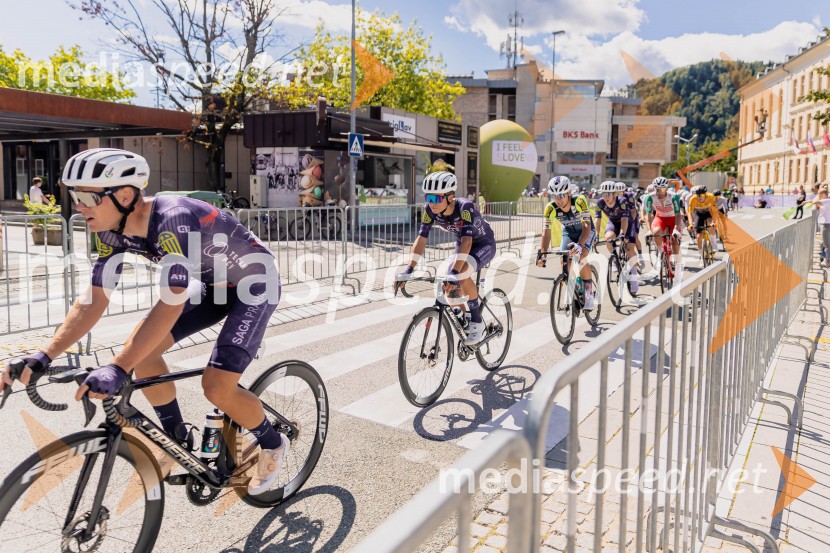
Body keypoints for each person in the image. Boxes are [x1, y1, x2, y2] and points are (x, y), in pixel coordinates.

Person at [1, 148, 287, 496]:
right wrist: (44, 356)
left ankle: (273, 443)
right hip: (214, 285)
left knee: (216, 386)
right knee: (143, 353)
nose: (78, 205)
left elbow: (170, 302)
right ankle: (177, 438)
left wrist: (118, 368)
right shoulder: (108, 230)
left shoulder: (173, 218)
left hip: (255, 285)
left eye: (86, 196)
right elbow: (93, 300)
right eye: (72, 195)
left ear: (124, 196)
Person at [397, 171, 497, 345]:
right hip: (463, 245)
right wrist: (409, 269)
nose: (431, 203)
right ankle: (463, 317)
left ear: (450, 196)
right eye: (428, 197)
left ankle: (477, 322)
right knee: (448, 286)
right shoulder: (430, 210)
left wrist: (456, 272)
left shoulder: (465, 207)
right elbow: (421, 239)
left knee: (461, 274)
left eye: (436, 199)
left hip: (482, 244)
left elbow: (467, 240)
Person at [537, 176, 598, 310]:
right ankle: (577, 286)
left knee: (581, 257)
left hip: (586, 231)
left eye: (562, 195)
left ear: (569, 192)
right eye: (555, 196)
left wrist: (580, 245)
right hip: (569, 232)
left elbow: (587, 226)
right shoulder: (550, 208)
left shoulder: (579, 201)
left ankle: (589, 294)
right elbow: (546, 232)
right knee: (564, 262)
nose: (558, 199)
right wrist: (543, 254)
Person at [595, 181, 639, 293]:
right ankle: (614, 259)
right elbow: (598, 219)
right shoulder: (599, 202)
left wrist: (623, 234)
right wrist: (596, 234)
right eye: (604, 194)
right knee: (608, 239)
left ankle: (634, 276)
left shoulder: (622, 200)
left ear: (614, 194)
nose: (606, 197)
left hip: (626, 223)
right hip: (613, 222)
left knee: (629, 248)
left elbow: (624, 219)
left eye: (608, 194)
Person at [644, 177, 683, 257]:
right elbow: (649, 215)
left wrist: (676, 229)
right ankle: (661, 254)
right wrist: (649, 230)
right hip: (661, 218)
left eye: (663, 189)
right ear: (654, 188)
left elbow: (678, 215)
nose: (660, 192)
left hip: (673, 219)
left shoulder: (673, 196)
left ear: (667, 188)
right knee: (655, 233)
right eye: (657, 190)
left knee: (675, 242)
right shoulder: (649, 197)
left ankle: (678, 266)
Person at [687, 186, 721, 253]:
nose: (700, 197)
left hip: (708, 212)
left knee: (710, 224)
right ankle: (701, 253)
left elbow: (714, 210)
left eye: (702, 195)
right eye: (698, 195)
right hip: (698, 213)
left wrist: (714, 221)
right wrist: (690, 224)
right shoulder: (692, 199)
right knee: (699, 236)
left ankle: (714, 244)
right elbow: (690, 213)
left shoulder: (710, 197)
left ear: (705, 194)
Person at [813, 185, 830, 267]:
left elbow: (814, 202)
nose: (818, 195)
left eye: (820, 193)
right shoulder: (823, 200)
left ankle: (827, 260)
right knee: (825, 243)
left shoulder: (827, 200)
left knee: (826, 244)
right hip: (823, 223)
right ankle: (824, 258)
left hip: (826, 224)